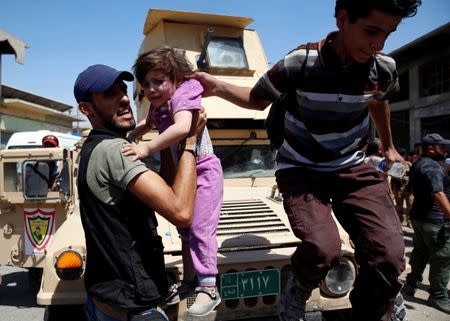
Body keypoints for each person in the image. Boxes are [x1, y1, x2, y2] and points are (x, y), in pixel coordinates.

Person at [191, 1, 422, 320]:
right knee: (324, 248)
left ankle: (379, 299)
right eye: (371, 31)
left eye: (387, 34)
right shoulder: (301, 62)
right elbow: (256, 100)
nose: (378, 44)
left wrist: (389, 148)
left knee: (390, 255)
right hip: (302, 170)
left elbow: (379, 101)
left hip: (353, 166)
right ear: (342, 19)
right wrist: (216, 86)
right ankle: (299, 287)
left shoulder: (382, 68)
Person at [74, 64, 205, 321]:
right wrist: (190, 142)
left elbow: (170, 187)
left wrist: (166, 137)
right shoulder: (114, 150)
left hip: (108, 298)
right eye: (110, 94)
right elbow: (181, 211)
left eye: (123, 91)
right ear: (86, 109)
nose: (124, 98)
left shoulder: (99, 146)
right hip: (132, 306)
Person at [122, 48, 224, 317]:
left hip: (204, 170)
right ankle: (191, 282)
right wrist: (132, 133)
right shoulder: (161, 105)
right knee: (186, 230)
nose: (152, 89)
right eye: (146, 84)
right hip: (186, 173)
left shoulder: (184, 94)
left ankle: (209, 287)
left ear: (176, 77)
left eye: (158, 81)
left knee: (201, 228)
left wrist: (145, 149)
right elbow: (148, 122)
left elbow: (182, 128)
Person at [403, 133, 450, 315]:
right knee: (442, 257)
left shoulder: (420, 163)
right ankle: (438, 296)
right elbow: (437, 193)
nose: (445, 150)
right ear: (431, 149)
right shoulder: (432, 167)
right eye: (442, 147)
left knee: (421, 252)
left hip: (420, 217)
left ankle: (411, 283)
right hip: (434, 220)